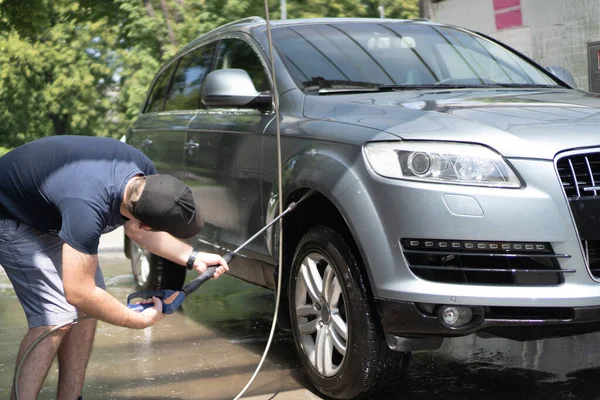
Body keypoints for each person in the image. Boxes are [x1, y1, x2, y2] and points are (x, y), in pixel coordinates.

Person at [0, 135, 229, 400]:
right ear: (145, 222)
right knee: (56, 317)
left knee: (91, 307)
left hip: (52, 203)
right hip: (10, 211)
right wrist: (138, 320)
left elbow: (138, 233)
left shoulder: (147, 179)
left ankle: (71, 397)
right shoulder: (87, 207)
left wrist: (193, 257)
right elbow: (78, 291)